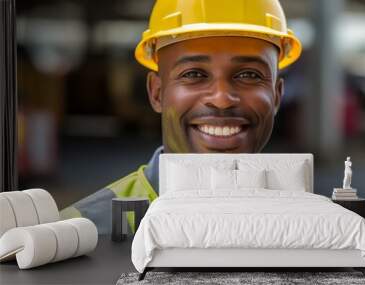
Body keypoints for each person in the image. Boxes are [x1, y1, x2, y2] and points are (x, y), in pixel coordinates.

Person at [60, 0, 302, 233]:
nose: (221, 98)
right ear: (157, 93)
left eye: (249, 75)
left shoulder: (307, 224)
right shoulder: (82, 231)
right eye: (194, 73)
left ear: (277, 96)